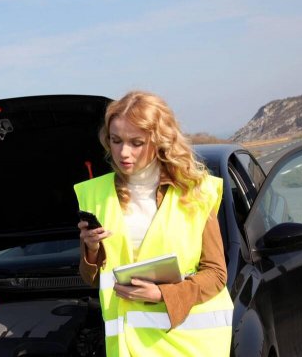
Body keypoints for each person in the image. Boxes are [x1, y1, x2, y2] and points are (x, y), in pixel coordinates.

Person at [74, 91, 233, 356]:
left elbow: (216, 274)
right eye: (116, 140)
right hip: (126, 347)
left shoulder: (196, 192)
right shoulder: (95, 194)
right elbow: (91, 278)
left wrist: (163, 295)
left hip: (187, 346)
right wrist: (90, 250)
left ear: (158, 141)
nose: (123, 152)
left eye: (136, 143)